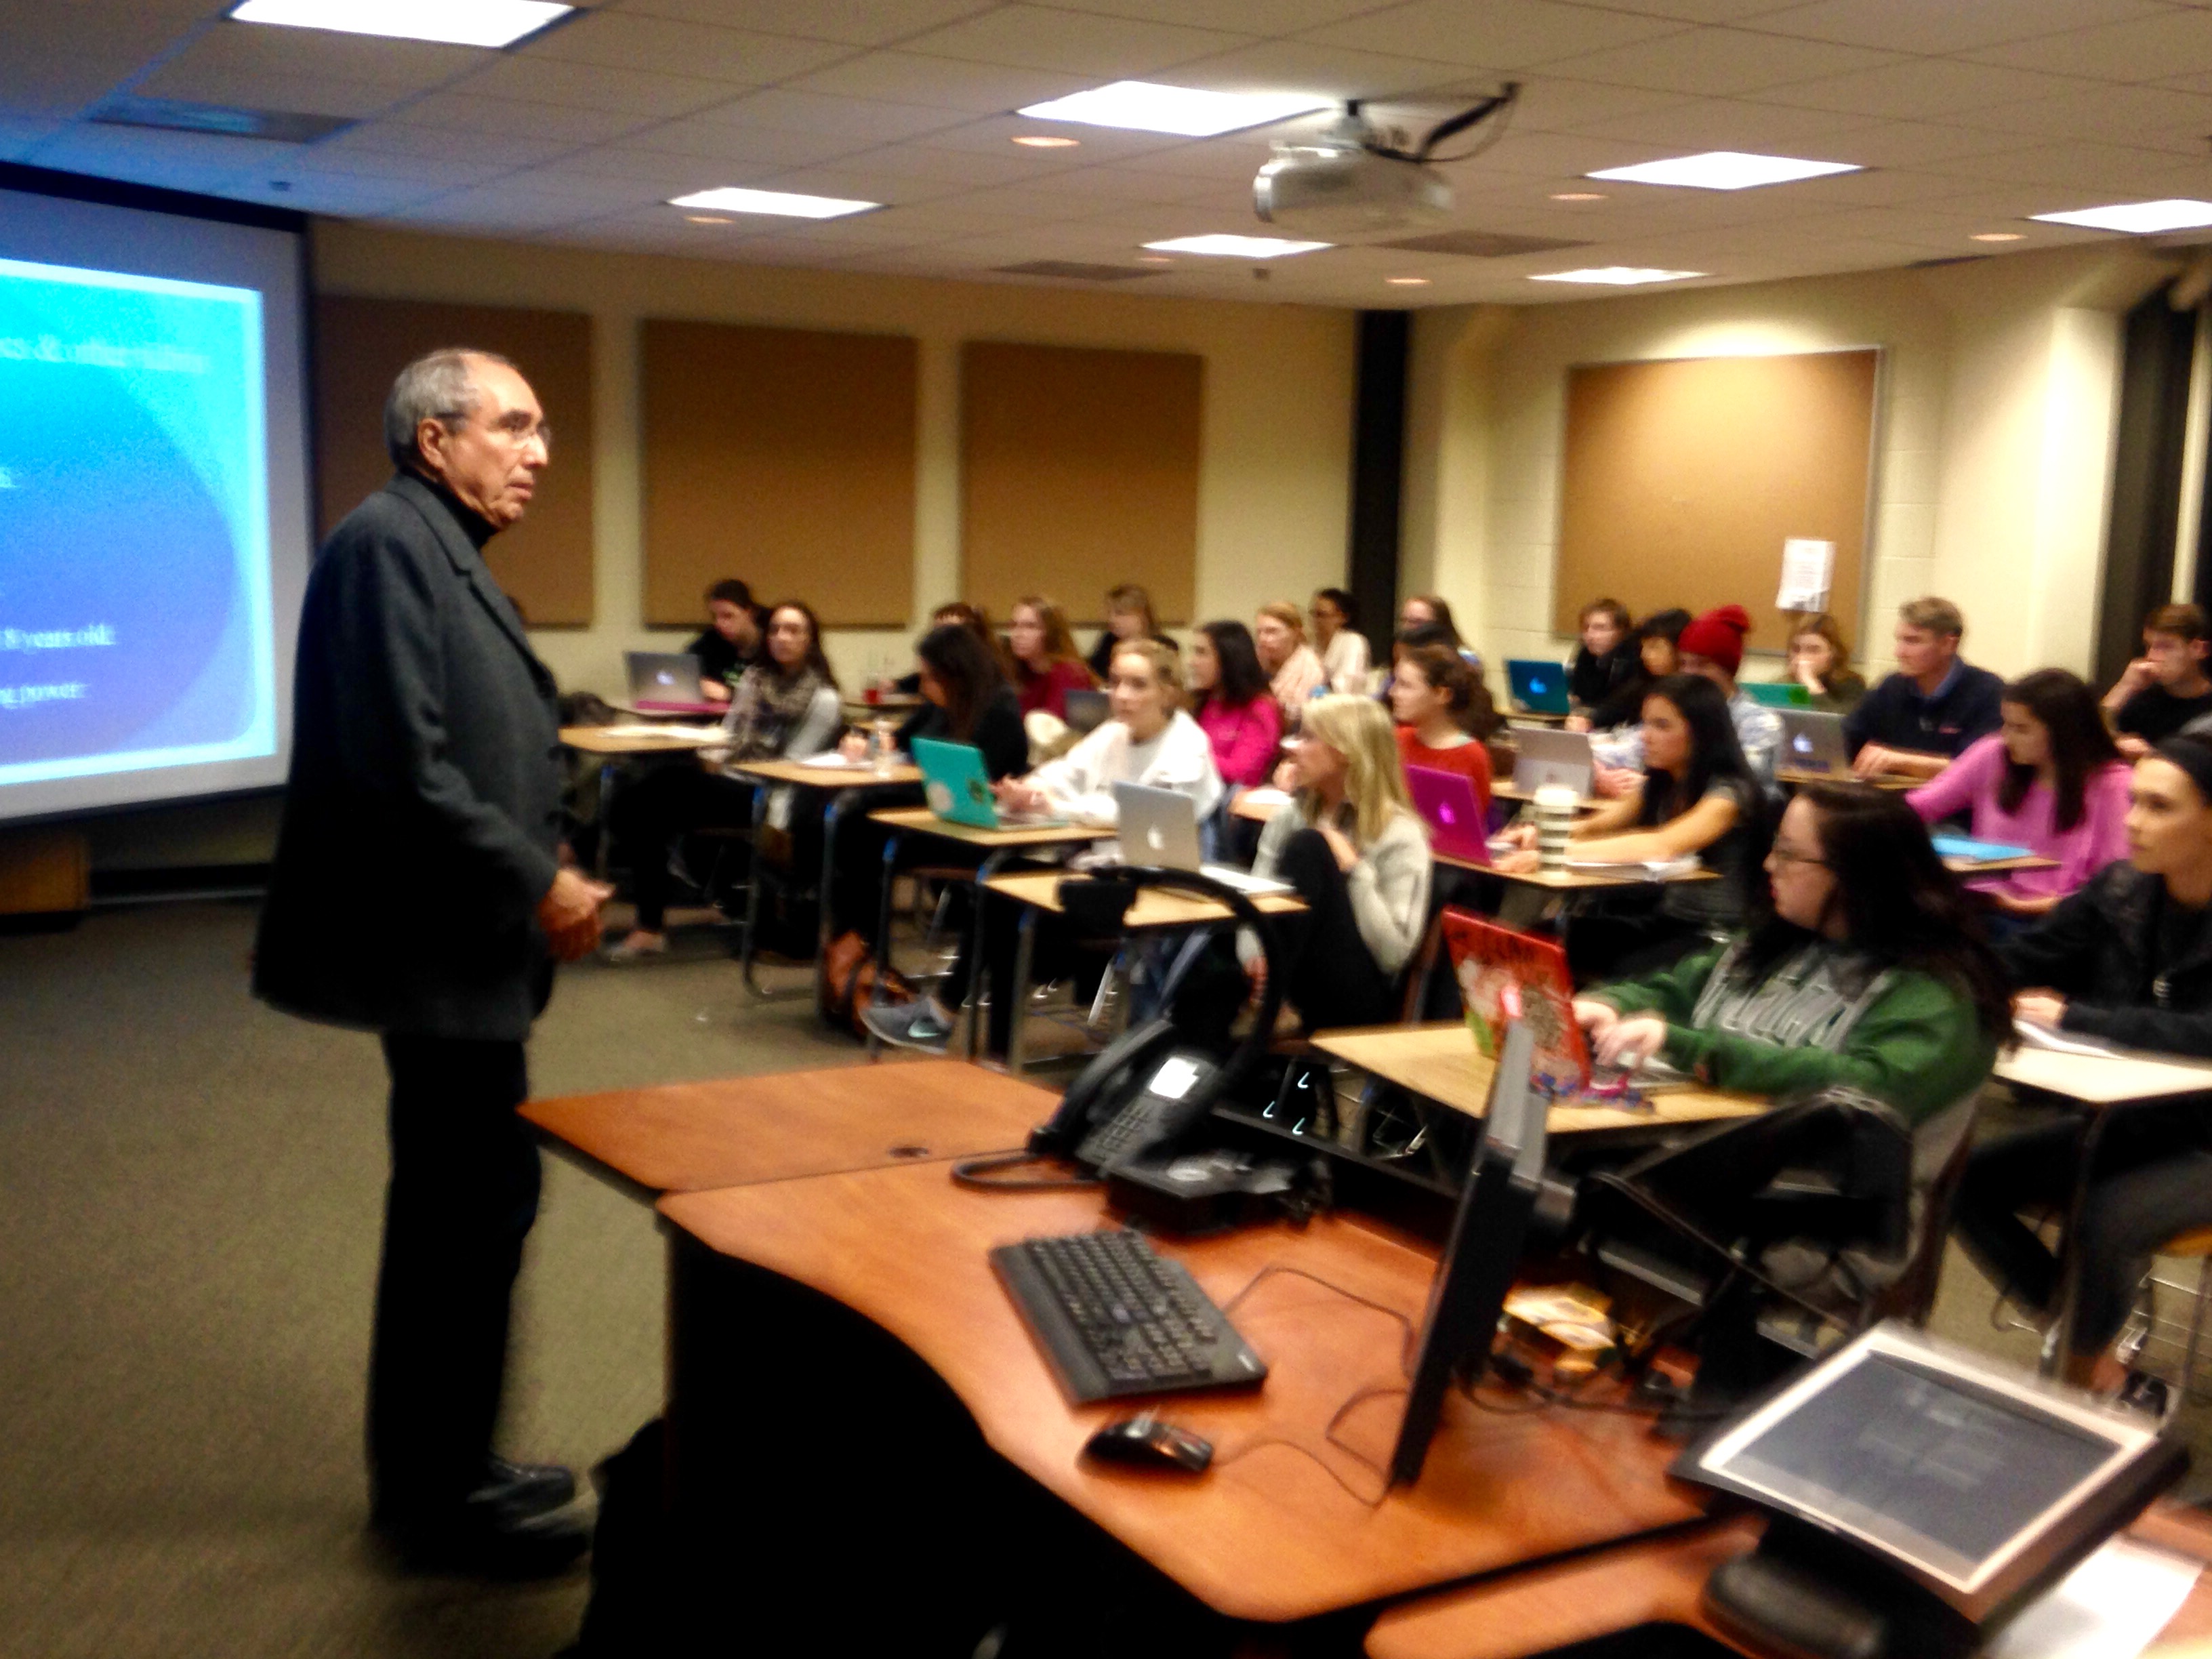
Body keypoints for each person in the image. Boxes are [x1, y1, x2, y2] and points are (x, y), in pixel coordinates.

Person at [253, 348, 603, 1576]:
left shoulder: (437, 549)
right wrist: (538, 877)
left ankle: (446, 1457)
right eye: (512, 423)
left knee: (468, 1211)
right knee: (463, 1215)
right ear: (431, 438)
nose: (538, 450)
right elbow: (404, 769)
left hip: (465, 958)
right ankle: (435, 1497)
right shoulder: (387, 545)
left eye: (541, 424)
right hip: (439, 957)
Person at [1955, 736, 2212, 1378]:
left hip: (2203, 1139)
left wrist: (2079, 1016)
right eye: (2133, 803)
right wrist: (1961, 976)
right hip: (2130, 1119)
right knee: (1965, 1182)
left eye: (2159, 807)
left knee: (2103, 1219)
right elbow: (2032, 956)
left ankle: (2080, 1364)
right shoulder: (2121, 890)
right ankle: (2091, 1356)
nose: (2132, 823)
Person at [864, 640, 1223, 1055]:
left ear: (1169, 692)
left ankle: (952, 1023)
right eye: (1116, 682)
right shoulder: (1113, 734)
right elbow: (1063, 773)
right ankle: (967, 1032)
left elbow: (1132, 813)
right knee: (998, 887)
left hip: (1157, 889)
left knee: (1007, 909)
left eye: (1138, 685)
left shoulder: (1188, 748)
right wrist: (1028, 789)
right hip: (1102, 871)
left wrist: (1057, 806)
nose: (1121, 695)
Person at [1573, 783, 2006, 1124]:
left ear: (1854, 875)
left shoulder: (1936, 991)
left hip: (1808, 1202)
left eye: (1788, 854)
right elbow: (1679, 991)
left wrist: (1693, 1048)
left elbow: (1868, 1089)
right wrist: (1610, 1005)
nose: (1768, 865)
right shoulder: (1782, 939)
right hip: (1707, 1146)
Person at [605, 601, 842, 961]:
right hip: (732, 777)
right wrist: (701, 752)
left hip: (768, 792)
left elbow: (791, 767)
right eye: (776, 629)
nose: (781, 637)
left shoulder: (824, 698)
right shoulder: (754, 679)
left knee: (654, 791)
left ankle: (649, 921)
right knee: (645, 792)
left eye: (794, 630)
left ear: (811, 640)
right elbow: (729, 734)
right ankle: (650, 921)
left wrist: (726, 769)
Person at [1500, 674, 1770, 977]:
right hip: (1666, 919)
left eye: (1662, 726)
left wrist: (1555, 851)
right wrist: (1541, 835)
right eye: (1645, 723)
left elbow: (1661, 845)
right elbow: (1597, 825)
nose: (1645, 736)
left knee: (1611, 963)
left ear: (1702, 732)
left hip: (1714, 934)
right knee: (1550, 939)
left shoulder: (1731, 793)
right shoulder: (1662, 782)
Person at [827, 620, 1026, 944]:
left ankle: (861, 948)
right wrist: (869, 744)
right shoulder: (941, 704)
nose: (923, 687)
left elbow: (973, 788)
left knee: (859, 828)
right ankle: (853, 946)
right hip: (935, 816)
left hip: (974, 830)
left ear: (957, 674)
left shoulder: (998, 714)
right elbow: (898, 740)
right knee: (851, 819)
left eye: (931, 677)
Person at [1244, 695, 1434, 1030]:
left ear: (1346, 751)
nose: (1294, 749)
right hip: (1279, 978)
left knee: (1310, 846)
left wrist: (1354, 870)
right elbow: (1255, 902)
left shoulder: (1401, 834)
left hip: (1355, 993)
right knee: (1197, 1000)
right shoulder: (1288, 816)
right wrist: (1253, 958)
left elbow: (1393, 955)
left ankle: (1275, 1001)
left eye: (1308, 738)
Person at [1906, 669, 2129, 923]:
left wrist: (2018, 906)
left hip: (2056, 920)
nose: (2007, 738)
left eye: (2021, 729)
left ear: (2064, 732)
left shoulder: (2114, 785)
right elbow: (1918, 807)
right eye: (2005, 725)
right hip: (1982, 904)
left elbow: (2116, 889)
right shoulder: (1993, 754)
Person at [1593, 605, 1782, 786]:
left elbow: (1741, 781)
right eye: (1684, 663)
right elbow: (1625, 753)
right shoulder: (1673, 710)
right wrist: (1596, 767)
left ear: (1727, 669)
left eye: (1701, 665)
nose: (1690, 673)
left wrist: (1653, 785)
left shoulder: (1758, 722)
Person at [1843, 596, 2005, 781]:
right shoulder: (1891, 687)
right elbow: (1847, 740)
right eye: (1899, 640)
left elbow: (1979, 769)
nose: (1899, 652)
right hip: (1888, 800)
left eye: (1912, 641)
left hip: (1953, 807)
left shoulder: (1988, 692)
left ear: (1948, 644)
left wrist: (1900, 761)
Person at [1391, 642, 1492, 811]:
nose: (1393, 692)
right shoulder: (1395, 739)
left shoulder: (1472, 756)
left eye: (1406, 686)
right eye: (1396, 683)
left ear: (1442, 694)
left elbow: (1467, 826)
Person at [2104, 602, 2212, 756]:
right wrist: (2123, 688)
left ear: (2198, 649)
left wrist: (2153, 755)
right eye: (2149, 646)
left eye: (2165, 647)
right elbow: (2088, 739)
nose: (2152, 657)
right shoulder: (2141, 700)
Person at [1188, 619, 1282, 790]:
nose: (1192, 662)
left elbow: (1242, 773)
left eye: (1201, 653)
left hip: (1230, 806)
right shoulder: (1203, 701)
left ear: (1228, 658)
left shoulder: (1260, 707)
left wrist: (1187, 756)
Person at [1579, 607, 1686, 733]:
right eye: (1643, 647)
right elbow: (1611, 711)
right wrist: (1587, 720)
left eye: (1654, 647)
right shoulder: (1643, 681)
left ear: (1679, 649)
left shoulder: (1691, 693)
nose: (1644, 654)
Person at [1008, 594, 1097, 720]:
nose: (1018, 634)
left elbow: (1052, 732)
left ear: (1051, 633)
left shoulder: (1069, 673)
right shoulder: (1018, 671)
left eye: (1030, 626)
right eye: (1014, 625)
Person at [686, 577, 762, 703]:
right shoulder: (711, 640)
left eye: (728, 616)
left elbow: (777, 698)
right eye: (715, 617)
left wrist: (729, 694)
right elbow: (684, 669)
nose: (719, 624)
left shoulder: (771, 644)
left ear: (749, 613)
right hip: (711, 718)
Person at [1084, 582, 1176, 681]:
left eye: (1120, 613)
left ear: (1142, 615)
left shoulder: (1165, 646)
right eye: (1109, 613)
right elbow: (1094, 673)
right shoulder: (1109, 641)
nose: (1112, 620)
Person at [1255, 600, 1326, 727]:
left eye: (1272, 631)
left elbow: (1300, 719)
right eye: (1259, 632)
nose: (1263, 639)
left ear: (1296, 632)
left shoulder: (1310, 669)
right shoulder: (1256, 661)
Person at [1780, 613, 1866, 714]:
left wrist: (1810, 683)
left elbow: (1838, 723)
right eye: (1796, 649)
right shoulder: (1784, 683)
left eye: (1813, 650)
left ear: (1833, 653)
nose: (1801, 657)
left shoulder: (1853, 685)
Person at [1569, 598, 1637, 714]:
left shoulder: (1634, 659)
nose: (1590, 635)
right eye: (1586, 628)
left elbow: (1621, 706)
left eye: (1600, 628)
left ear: (1621, 632)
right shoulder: (1586, 654)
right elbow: (1580, 695)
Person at [1401, 593, 1483, 673]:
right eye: (1404, 621)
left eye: (1417, 622)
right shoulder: (1404, 656)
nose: (1408, 628)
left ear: (1439, 625)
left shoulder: (1464, 660)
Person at [1311, 586, 1372, 695]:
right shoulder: (1312, 645)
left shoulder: (1353, 642)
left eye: (1322, 615)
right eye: (1314, 614)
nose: (1316, 620)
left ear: (1343, 618)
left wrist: (1318, 690)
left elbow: (1348, 684)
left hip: (1345, 706)